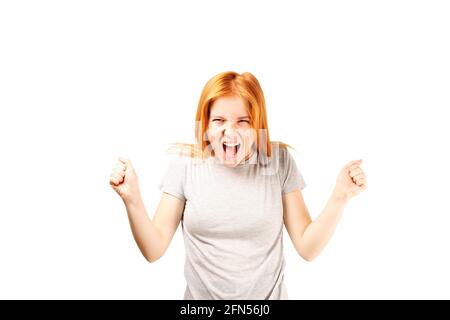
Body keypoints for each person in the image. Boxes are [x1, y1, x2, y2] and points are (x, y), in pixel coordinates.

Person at [109, 71, 367, 299]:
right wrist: (131, 198)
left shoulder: (278, 161)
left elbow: (307, 247)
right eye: (219, 120)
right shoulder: (185, 165)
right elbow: (154, 249)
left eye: (243, 121)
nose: (229, 132)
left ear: (257, 125)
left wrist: (340, 196)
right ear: (205, 124)